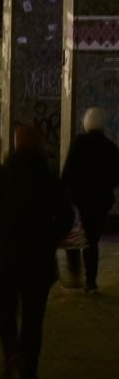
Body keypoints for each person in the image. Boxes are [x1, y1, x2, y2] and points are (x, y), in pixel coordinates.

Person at [0, 124, 74, 379]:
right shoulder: (48, 180)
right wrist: (50, 240)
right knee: (33, 317)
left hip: (7, 259)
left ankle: (10, 351)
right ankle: (29, 372)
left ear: (15, 146)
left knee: (4, 310)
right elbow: (66, 215)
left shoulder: (0, 178)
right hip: (38, 263)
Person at [62, 108, 119, 294]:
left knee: (73, 239)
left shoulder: (79, 144)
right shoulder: (110, 147)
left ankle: (75, 273)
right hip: (100, 203)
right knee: (92, 242)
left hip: (78, 202)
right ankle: (91, 282)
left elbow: (68, 173)